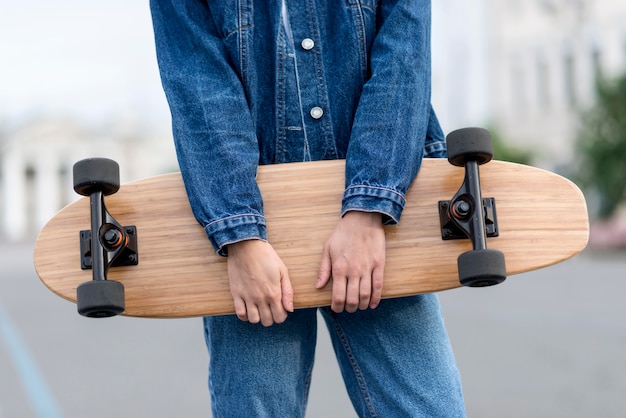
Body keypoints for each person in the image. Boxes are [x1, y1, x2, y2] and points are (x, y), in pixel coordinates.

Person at [150, 1, 466, 416]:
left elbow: (404, 54)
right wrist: (240, 235)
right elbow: (198, 83)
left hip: (378, 216)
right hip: (253, 227)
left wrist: (368, 208)